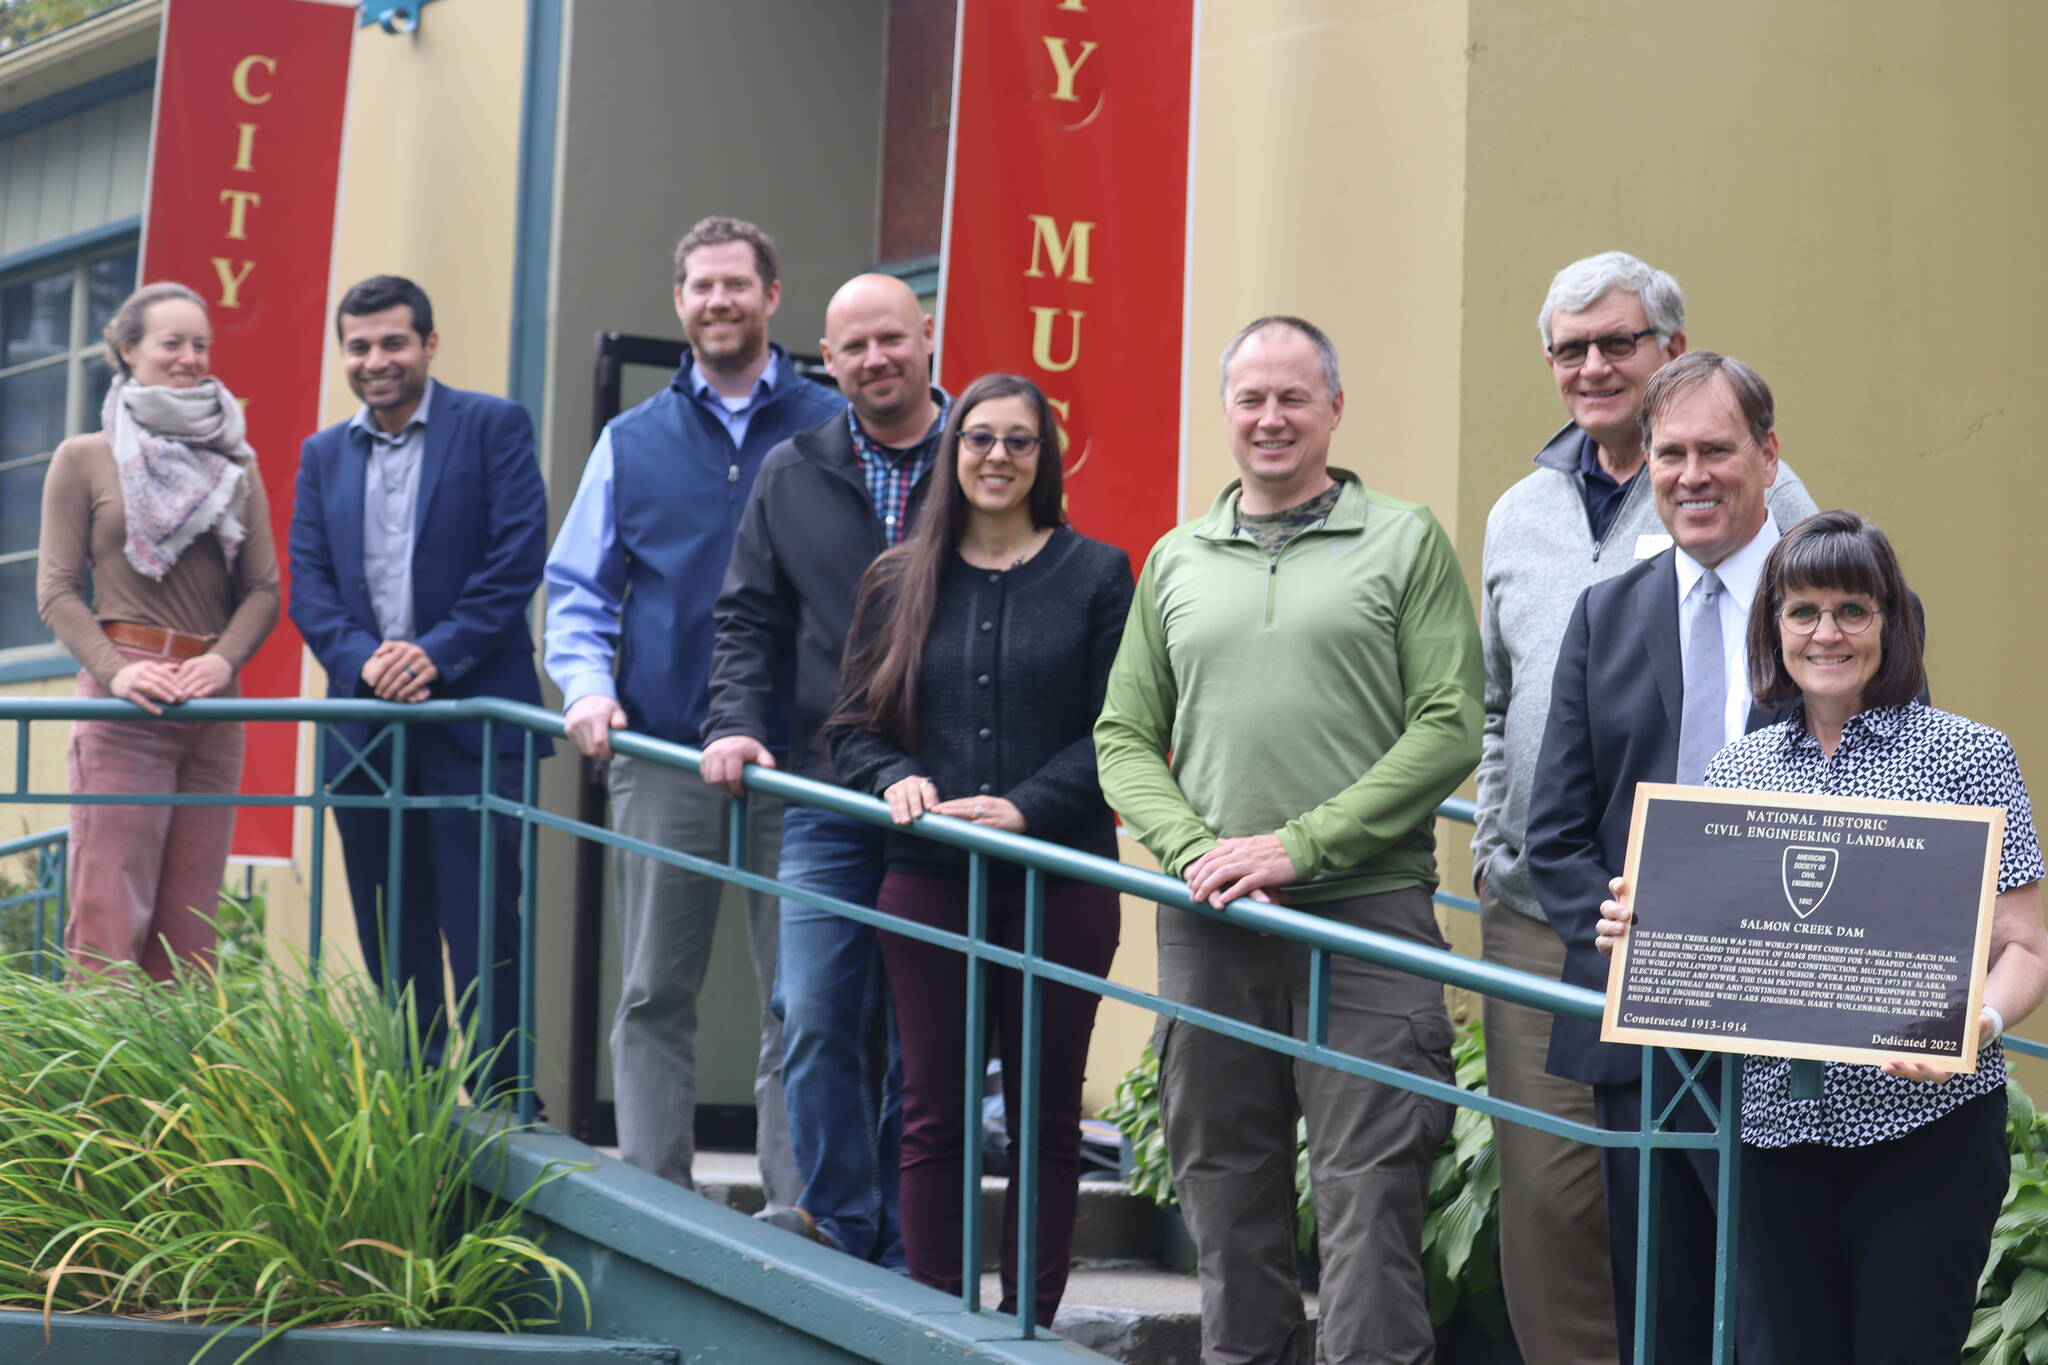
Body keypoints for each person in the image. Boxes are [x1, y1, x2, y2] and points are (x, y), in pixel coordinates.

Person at [1096, 316, 1483, 1365]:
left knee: (1369, 1209)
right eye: (1249, 399)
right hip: (1212, 923)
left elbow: (1448, 723)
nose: (1270, 418)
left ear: (1333, 410)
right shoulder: (1177, 558)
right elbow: (1122, 737)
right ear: (1224, 411)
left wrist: (1298, 846)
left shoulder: (1402, 540)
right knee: (1226, 1203)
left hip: (1366, 922)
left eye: (1292, 398)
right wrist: (1193, 851)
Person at [1593, 508, 2046, 1363]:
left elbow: (2025, 946)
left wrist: (1974, 1024)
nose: (1825, 632)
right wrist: (1641, 938)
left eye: (1851, 609)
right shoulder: (1737, 772)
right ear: (1774, 629)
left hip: (1926, 1132)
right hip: (1773, 1136)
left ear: (1891, 622)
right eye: (1802, 611)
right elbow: (1713, 949)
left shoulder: (1969, 756)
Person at [1472, 252, 1816, 1362]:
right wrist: (1600, 916)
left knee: (1771, 1253)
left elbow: (1870, 760)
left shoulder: (1812, 564)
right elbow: (1511, 729)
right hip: (1601, 946)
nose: (1590, 365)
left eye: (1615, 341)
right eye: (1569, 348)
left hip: (1777, 964)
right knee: (1605, 1232)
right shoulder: (1536, 528)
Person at [827, 373, 1131, 1325]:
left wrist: (1029, 807)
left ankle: (1028, 1324)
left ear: (1046, 460)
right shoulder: (896, 577)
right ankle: (936, 1323)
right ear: (952, 453)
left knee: (1045, 1117)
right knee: (935, 1111)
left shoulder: (1098, 572)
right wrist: (893, 779)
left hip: (1061, 879)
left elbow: (1120, 728)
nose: (996, 456)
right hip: (929, 879)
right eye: (978, 439)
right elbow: (850, 728)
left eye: (1019, 442)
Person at [544, 217, 838, 1198]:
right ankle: (659, 1202)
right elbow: (579, 588)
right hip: (664, 755)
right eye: (700, 287)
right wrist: (586, 690)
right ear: (678, 304)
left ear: (772, 297)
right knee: (651, 993)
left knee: (803, 999)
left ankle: (801, 1214)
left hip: (803, 766)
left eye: (735, 286)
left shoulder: (829, 428)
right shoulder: (633, 440)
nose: (718, 302)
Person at [700, 273, 950, 1264]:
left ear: (925, 335)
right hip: (826, 787)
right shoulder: (791, 470)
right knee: (810, 1011)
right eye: (854, 347)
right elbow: (748, 617)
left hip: (950, 795)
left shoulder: (981, 454)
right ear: (828, 361)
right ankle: (847, 1224)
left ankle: (908, 1235)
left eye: (891, 338)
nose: (875, 359)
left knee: (922, 1034)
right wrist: (731, 722)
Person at [287, 275, 550, 1086]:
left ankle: (504, 1101)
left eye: (394, 342)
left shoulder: (492, 426)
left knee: (483, 924)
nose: (377, 360)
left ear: (429, 345)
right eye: (359, 346)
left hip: (473, 715)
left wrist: (434, 652)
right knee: (388, 924)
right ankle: (417, 1098)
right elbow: (308, 578)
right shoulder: (322, 452)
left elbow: (518, 556)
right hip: (366, 725)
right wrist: (364, 658)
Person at [36, 282, 280, 981]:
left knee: (190, 938)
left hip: (212, 705)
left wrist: (222, 663)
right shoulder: (83, 456)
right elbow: (55, 591)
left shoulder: (235, 460)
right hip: (125, 705)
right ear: (126, 350)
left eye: (200, 344)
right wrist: (118, 671)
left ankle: (178, 1093)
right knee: (108, 925)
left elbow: (263, 590)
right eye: (171, 343)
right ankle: (100, 1094)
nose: (189, 358)